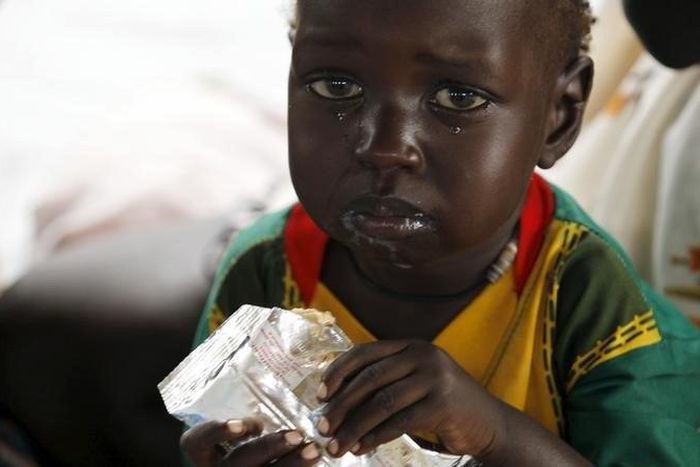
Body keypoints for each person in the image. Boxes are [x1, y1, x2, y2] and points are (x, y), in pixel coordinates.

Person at [180, 1, 700, 466]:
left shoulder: (592, 301)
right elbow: (214, 433)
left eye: (458, 97)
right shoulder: (265, 271)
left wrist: (495, 435)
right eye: (336, 86)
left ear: (559, 116)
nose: (385, 147)